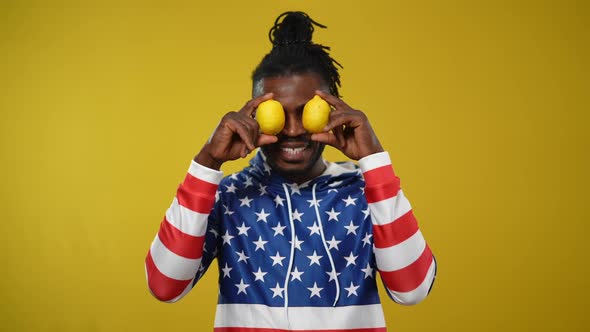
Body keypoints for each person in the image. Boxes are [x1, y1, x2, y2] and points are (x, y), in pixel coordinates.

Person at [145, 11, 436, 332]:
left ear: (333, 111)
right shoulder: (228, 195)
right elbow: (165, 285)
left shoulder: (365, 192)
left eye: (306, 112)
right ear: (253, 114)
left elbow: (412, 289)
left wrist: (374, 160)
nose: (294, 130)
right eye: (278, 114)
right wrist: (206, 163)